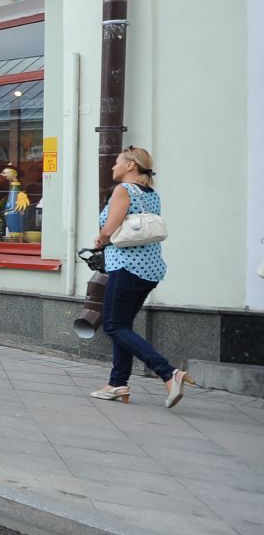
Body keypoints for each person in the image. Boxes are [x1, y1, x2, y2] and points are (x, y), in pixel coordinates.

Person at [92, 147, 191, 405]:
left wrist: (101, 238)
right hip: (149, 270)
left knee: (113, 325)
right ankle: (117, 384)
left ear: (130, 166)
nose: (113, 167)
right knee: (122, 326)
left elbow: (111, 228)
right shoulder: (152, 194)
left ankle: (169, 373)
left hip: (126, 267)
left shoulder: (123, 190)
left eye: (117, 163)